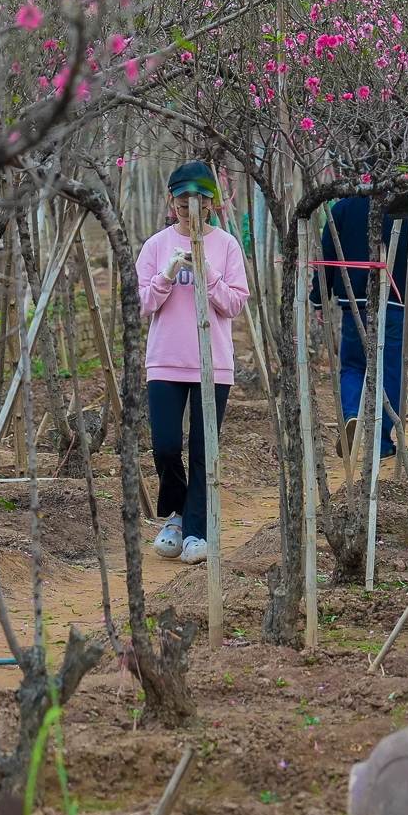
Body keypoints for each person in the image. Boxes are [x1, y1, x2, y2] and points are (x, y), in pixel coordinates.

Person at [138, 161, 251, 561]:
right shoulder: (155, 245)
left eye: (199, 200)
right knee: (165, 446)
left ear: (211, 204)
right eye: (182, 201)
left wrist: (208, 274)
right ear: (171, 200)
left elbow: (235, 304)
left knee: (205, 449)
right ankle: (177, 514)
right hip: (166, 360)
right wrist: (167, 274)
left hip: (213, 362)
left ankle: (193, 533)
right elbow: (142, 304)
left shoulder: (226, 245)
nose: (190, 208)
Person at [317, 188, 408, 461]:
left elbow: (327, 254)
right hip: (395, 300)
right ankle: (381, 442)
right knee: (389, 369)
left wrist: (318, 299)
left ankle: (352, 415)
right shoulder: (405, 205)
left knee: (354, 366)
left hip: (353, 301)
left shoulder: (343, 207)